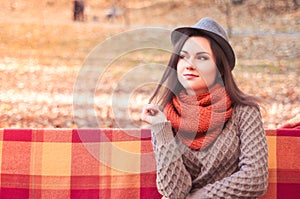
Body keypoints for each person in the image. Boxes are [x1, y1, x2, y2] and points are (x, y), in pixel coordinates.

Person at [141, 17, 268, 198]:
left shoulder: (245, 111)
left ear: (220, 69)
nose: (189, 65)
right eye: (184, 56)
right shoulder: (164, 116)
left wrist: (199, 197)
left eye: (201, 57)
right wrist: (161, 129)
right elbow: (174, 192)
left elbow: (255, 179)